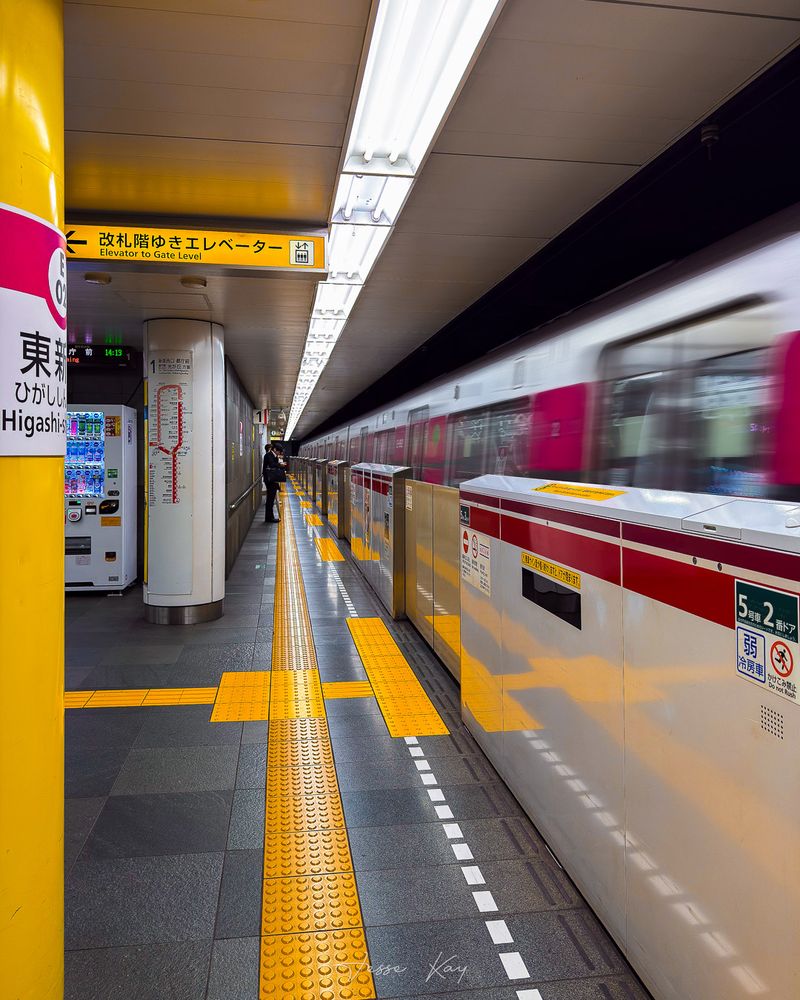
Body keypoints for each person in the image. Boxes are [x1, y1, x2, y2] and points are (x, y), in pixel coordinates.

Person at [262, 443, 284, 522]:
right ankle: (269, 518)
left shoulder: (272, 455)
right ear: (274, 449)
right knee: (270, 500)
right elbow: (272, 465)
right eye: (278, 451)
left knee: (271, 499)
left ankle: (270, 517)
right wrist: (280, 464)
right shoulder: (268, 455)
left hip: (272, 480)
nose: (279, 453)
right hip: (269, 480)